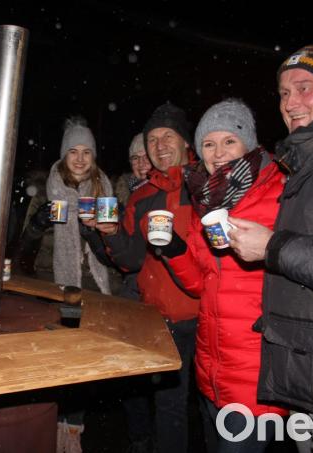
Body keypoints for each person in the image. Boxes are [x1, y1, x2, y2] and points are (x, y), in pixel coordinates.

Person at [227, 44, 313, 452]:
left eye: (305, 88)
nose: (291, 102)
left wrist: (272, 247)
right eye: (284, 93)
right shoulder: (311, 159)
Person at [156, 99, 289, 452]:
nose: (219, 153)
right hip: (213, 372)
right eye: (209, 144)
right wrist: (175, 252)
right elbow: (202, 283)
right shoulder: (208, 201)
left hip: (256, 374)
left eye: (229, 141)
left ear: (249, 143)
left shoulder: (281, 192)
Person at [96, 103, 199, 453]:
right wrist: (109, 234)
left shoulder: (207, 186)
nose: (159, 145)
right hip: (161, 317)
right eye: (152, 139)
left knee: (218, 408)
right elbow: (130, 261)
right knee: (169, 404)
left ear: (186, 142)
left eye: (168, 136)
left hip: (208, 316)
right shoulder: (141, 196)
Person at [46, 116, 118, 295]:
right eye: (73, 151)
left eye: (86, 152)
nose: (80, 158)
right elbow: (25, 251)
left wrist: (94, 235)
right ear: (64, 154)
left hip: (95, 283)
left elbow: (116, 250)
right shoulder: (47, 190)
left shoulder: (104, 189)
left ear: (93, 156)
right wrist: (36, 226)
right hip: (51, 281)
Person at [113, 132, 153, 300]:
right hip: (129, 284)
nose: (142, 163)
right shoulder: (119, 196)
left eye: (147, 156)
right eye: (135, 158)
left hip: (154, 284)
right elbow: (114, 256)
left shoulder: (165, 194)